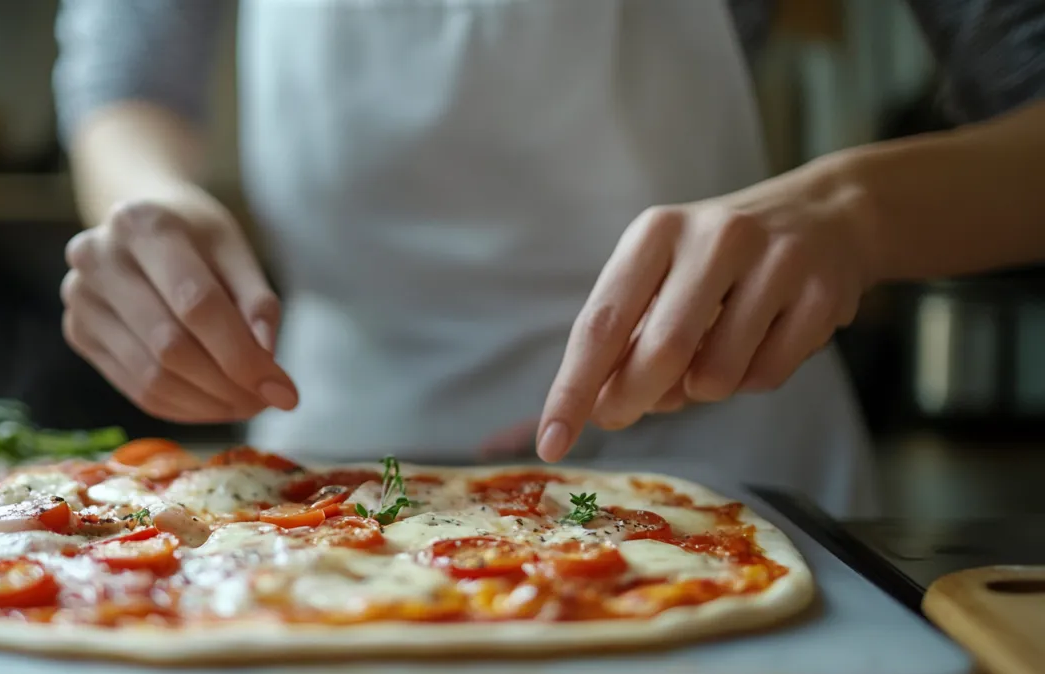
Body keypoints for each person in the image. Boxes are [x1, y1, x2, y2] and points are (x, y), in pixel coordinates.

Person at [53, 0, 1045, 519]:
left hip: (719, 480)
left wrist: (848, 212)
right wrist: (150, 210)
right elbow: (125, 82)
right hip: (320, 484)